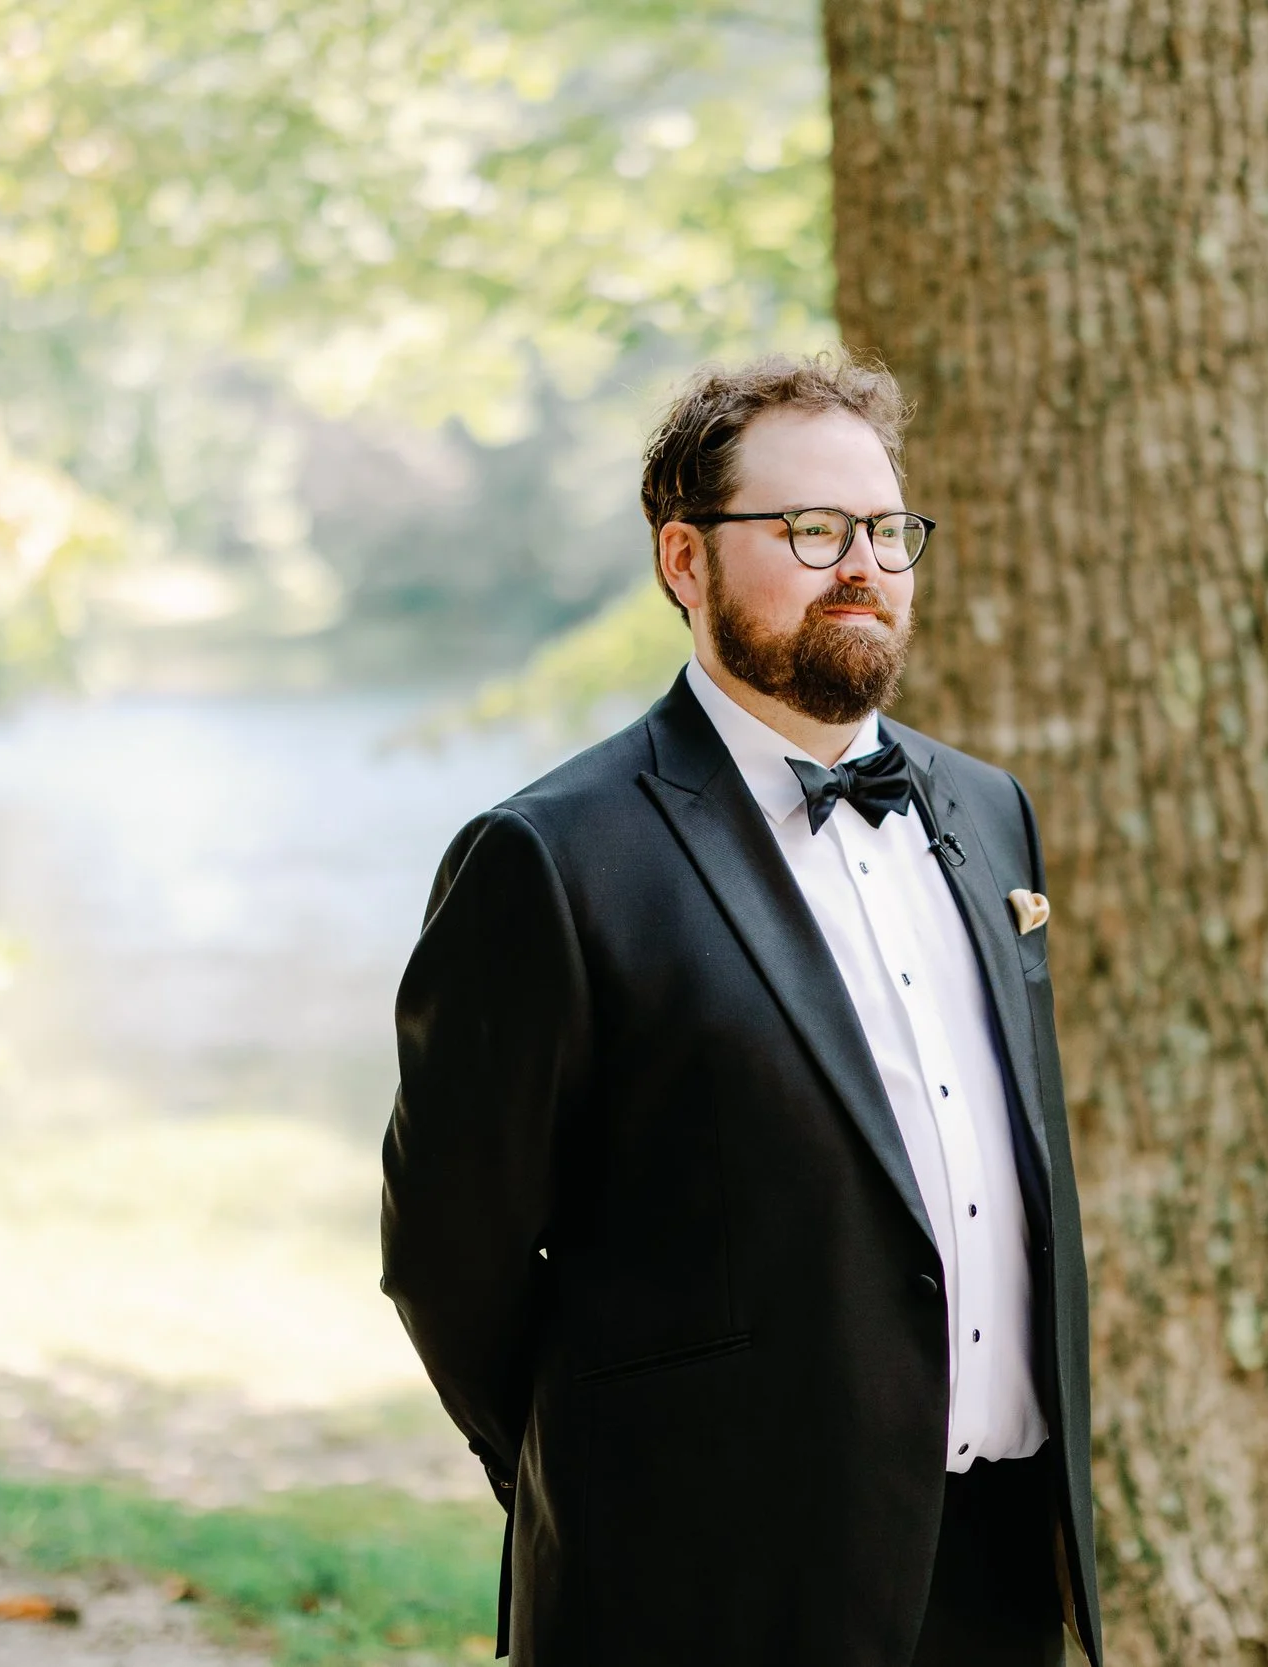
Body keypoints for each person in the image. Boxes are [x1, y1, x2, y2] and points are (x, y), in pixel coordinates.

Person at [379, 353, 1100, 1666]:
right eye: (809, 530)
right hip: (699, 1586)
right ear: (685, 561)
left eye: (887, 530)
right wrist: (594, 1475)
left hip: (996, 1564)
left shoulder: (989, 812)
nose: (863, 563)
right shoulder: (551, 857)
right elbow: (448, 1255)